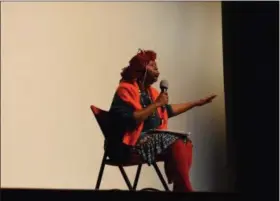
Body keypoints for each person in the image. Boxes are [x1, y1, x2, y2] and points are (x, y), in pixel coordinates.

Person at [108, 49, 217, 192]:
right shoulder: (125, 89)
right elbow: (131, 119)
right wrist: (157, 104)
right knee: (176, 142)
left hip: (149, 140)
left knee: (185, 142)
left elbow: (167, 111)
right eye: (153, 66)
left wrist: (196, 103)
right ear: (141, 69)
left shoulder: (151, 92)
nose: (157, 70)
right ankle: (185, 190)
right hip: (127, 146)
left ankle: (180, 186)